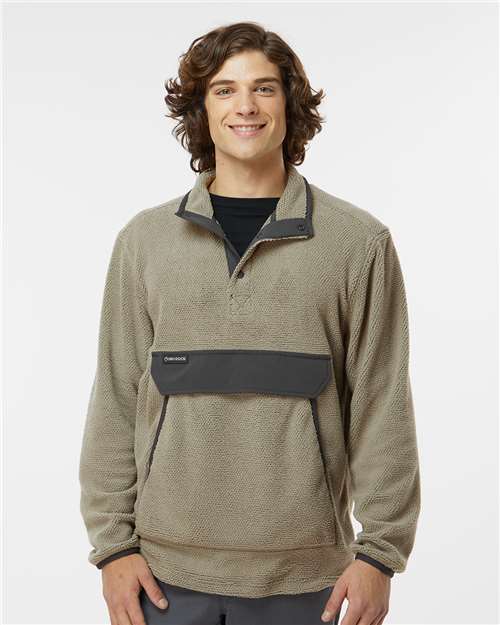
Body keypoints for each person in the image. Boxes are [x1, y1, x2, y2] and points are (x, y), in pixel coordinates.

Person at [79, 21, 421, 625]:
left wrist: (380, 555)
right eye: (224, 90)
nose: (245, 106)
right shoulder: (144, 242)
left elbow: (381, 402)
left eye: (264, 88)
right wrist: (112, 548)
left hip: (311, 582)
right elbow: (115, 396)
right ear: (202, 109)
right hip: (161, 577)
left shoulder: (357, 244)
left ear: (290, 105)